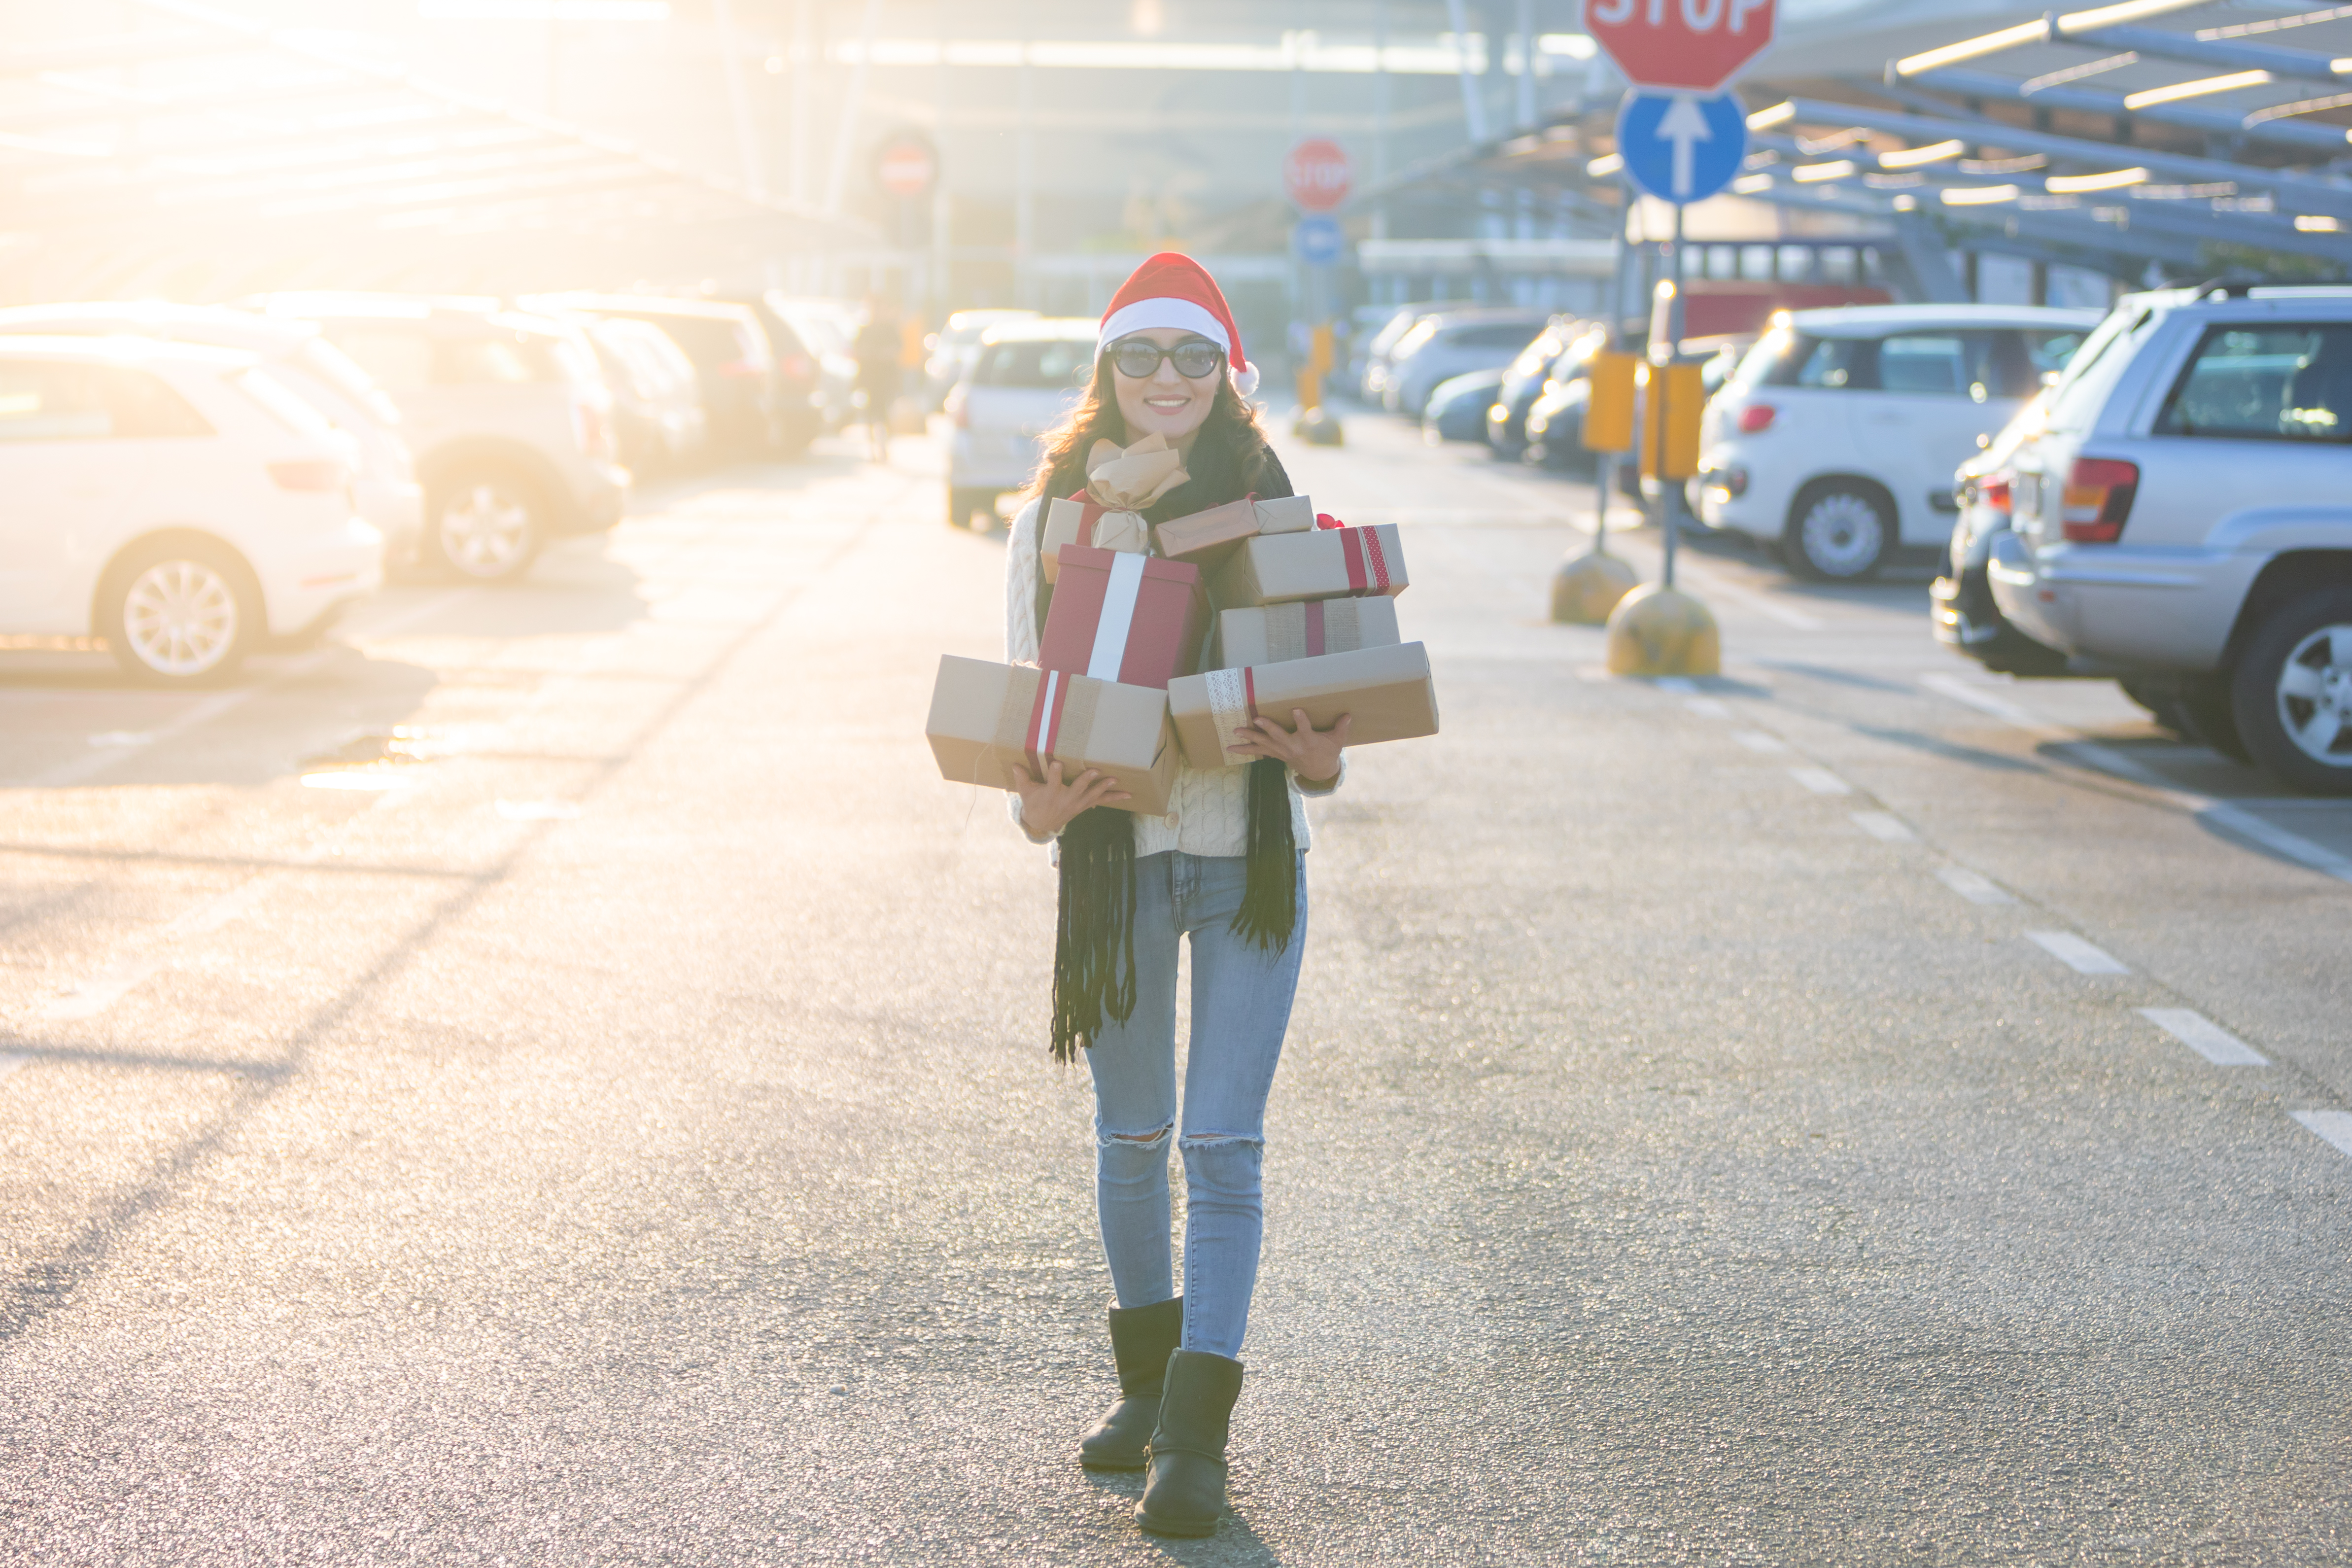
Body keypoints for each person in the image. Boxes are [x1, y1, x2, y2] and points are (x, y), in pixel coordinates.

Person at [1000, 253, 1351, 1540]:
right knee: (1132, 1135)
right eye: (1142, 354)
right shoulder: (1050, 523)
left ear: (1227, 375)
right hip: (1117, 862)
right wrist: (1040, 810)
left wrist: (1321, 760)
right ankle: (1145, 1389)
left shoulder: (1272, 514)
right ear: (1108, 369)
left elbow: (1327, 731)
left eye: (1193, 356)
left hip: (1247, 860)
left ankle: (1195, 1439)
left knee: (1221, 1144)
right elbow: (1023, 729)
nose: (1167, 378)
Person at [851, 295, 900, 461]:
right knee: (870, 416)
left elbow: (897, 349)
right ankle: (872, 450)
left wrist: (884, 354)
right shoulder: (865, 330)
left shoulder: (889, 330)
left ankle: (883, 447)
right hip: (869, 379)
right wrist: (868, 353)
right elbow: (857, 350)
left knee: (884, 415)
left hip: (885, 379)